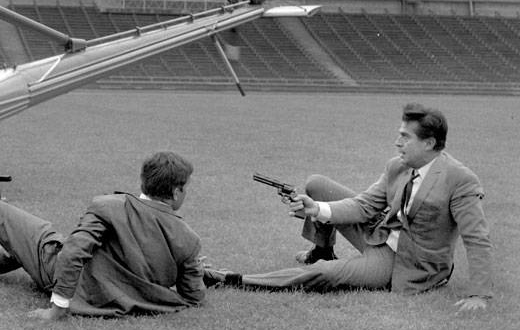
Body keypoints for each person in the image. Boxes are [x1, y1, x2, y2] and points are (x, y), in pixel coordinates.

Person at [205, 103, 493, 312]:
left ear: (429, 143)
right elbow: (364, 205)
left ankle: (233, 278)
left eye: (405, 137)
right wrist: (315, 208)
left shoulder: (460, 180)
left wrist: (479, 295)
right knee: (317, 185)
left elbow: (476, 239)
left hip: (405, 262)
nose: (397, 142)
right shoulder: (398, 166)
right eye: (399, 134)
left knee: (326, 273)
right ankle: (322, 248)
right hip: (380, 235)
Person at [0, 151, 206, 320]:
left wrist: (58, 309)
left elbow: (72, 254)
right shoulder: (188, 239)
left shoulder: (108, 205)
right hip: (95, 286)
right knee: (19, 246)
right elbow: (193, 297)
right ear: (177, 191)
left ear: (143, 180)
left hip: (63, 276)